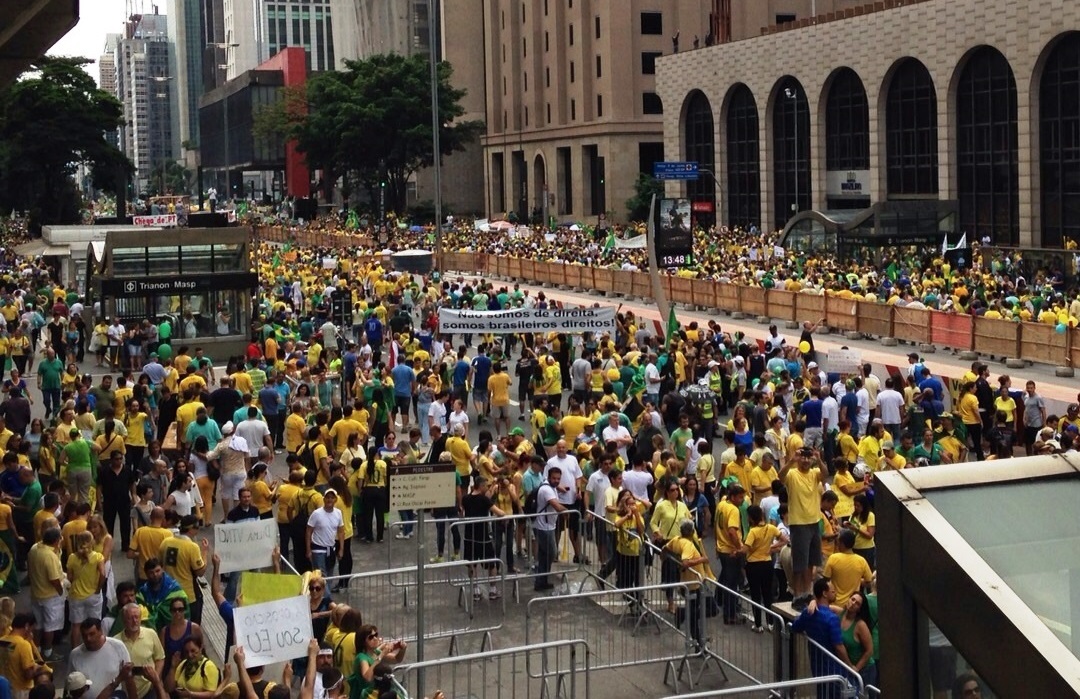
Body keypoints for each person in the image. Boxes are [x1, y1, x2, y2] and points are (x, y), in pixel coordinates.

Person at [778, 446, 828, 609]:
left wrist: (819, 459)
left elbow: (826, 475)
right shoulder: (792, 474)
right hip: (799, 523)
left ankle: (807, 593)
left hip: (814, 522)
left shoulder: (814, 474)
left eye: (808, 457)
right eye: (803, 457)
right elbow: (780, 476)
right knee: (799, 564)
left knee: (811, 563)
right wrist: (791, 460)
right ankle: (797, 595)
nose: (806, 460)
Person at [791, 578, 853, 698]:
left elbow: (795, 627)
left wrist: (813, 601)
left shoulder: (808, 613)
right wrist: (849, 666)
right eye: (833, 591)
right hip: (834, 670)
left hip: (817, 667)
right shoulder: (832, 619)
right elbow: (839, 646)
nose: (835, 593)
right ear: (825, 593)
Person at [461, 473, 505, 601]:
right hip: (483, 536)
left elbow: (464, 511)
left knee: (472, 564)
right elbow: (499, 513)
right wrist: (504, 514)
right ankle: (492, 590)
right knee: (491, 563)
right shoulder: (484, 500)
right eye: (486, 485)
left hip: (469, 536)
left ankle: (475, 590)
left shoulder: (466, 499)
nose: (487, 487)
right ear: (481, 486)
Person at [743, 504, 786, 633]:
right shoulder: (771, 528)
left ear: (751, 518)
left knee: (756, 595)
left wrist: (738, 550)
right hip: (767, 564)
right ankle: (771, 623)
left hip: (753, 565)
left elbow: (746, 549)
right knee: (768, 594)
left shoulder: (753, 531)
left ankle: (758, 624)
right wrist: (772, 548)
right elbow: (784, 540)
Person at [69, 618, 133, 697]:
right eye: (84, 635)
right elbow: (70, 685)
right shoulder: (75, 655)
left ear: (101, 631)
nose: (88, 639)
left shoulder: (118, 646)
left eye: (92, 634)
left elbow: (128, 676)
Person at [114, 602, 165, 699]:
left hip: (148, 688)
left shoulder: (151, 634)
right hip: (126, 692)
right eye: (130, 618)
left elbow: (160, 658)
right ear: (124, 620)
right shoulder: (116, 642)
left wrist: (155, 679)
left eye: (137, 617)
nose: (134, 621)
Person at [28, 526, 64, 660]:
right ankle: (48, 652)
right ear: (56, 540)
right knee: (50, 626)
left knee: (38, 624)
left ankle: (36, 649)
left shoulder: (34, 548)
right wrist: (61, 592)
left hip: (36, 594)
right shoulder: (50, 556)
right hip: (50, 597)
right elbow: (54, 579)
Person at [531, 465, 566, 592]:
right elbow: (556, 506)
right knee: (551, 553)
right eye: (554, 478)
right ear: (549, 477)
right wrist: (569, 511)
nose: (556, 481)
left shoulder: (552, 487)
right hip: (544, 527)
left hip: (547, 525)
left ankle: (542, 580)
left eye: (558, 479)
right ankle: (540, 580)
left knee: (544, 554)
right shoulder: (547, 490)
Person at [306, 488, 344, 577]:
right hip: (318, 549)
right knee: (321, 576)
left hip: (331, 549)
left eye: (332, 498)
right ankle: (326, 592)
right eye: (327, 498)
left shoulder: (338, 513)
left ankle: (326, 591)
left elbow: (341, 531)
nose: (329, 500)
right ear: (324, 499)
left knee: (330, 575)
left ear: (335, 500)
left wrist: (341, 549)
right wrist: (308, 549)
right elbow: (308, 531)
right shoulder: (316, 514)